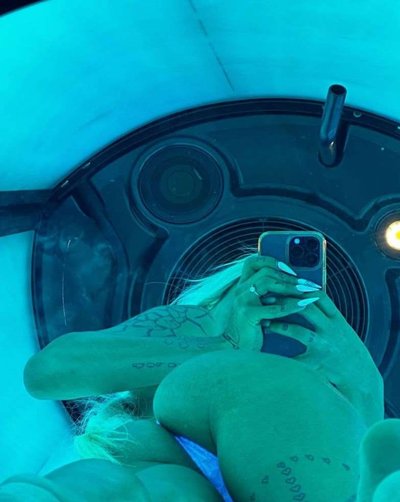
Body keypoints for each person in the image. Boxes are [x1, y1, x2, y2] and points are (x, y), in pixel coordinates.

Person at [0, 253, 394, 501]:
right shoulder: (195, 323)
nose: (285, 308)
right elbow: (49, 373)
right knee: (152, 482)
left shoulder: (344, 366)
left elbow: (365, 467)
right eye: (272, 289)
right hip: (163, 454)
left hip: (305, 465)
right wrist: (224, 340)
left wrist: (366, 387)